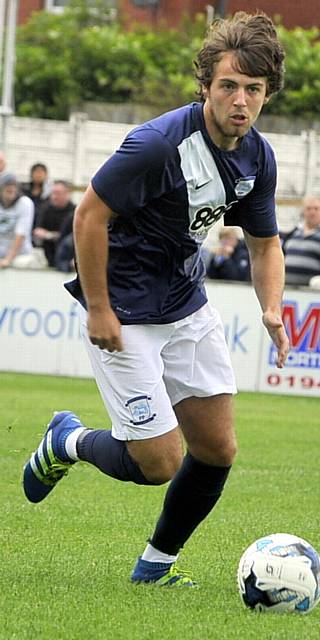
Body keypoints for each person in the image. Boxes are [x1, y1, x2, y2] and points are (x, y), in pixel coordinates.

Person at [23, 11, 289, 587]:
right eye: (228, 86)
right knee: (159, 464)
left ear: (267, 95)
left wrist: (271, 307)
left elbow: (265, 244)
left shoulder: (257, 157)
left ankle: (156, 567)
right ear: (205, 87)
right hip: (125, 311)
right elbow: (89, 214)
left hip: (186, 306)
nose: (240, 101)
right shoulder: (158, 144)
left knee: (217, 447)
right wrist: (98, 307)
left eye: (253, 89)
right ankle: (68, 440)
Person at [282, 195, 320, 286]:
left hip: (311, 292)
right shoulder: (292, 234)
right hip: (286, 288)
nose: (312, 212)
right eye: (308, 209)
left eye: (316, 209)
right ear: (303, 212)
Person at [33, 180, 75, 267]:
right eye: (53, 193)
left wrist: (50, 235)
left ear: (67, 194)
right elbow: (37, 231)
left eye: (58, 193)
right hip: (47, 253)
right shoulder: (46, 209)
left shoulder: (75, 211)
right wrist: (51, 235)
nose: (54, 197)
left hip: (67, 255)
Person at [0, 174, 34, 268]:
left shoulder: (25, 203)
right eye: (7, 186)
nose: (11, 189)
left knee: (19, 264)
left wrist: (8, 260)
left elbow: (20, 235)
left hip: (20, 255)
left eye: (14, 186)